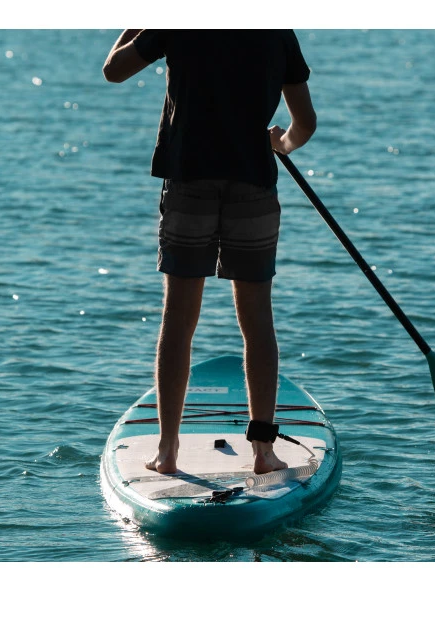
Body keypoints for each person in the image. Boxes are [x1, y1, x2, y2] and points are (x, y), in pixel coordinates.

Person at [102, 30, 316, 475]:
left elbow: (114, 70)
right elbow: (305, 122)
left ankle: (167, 452)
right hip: (253, 184)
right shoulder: (276, 29)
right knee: (258, 320)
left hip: (189, 182)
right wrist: (283, 144)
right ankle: (263, 452)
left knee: (178, 319)